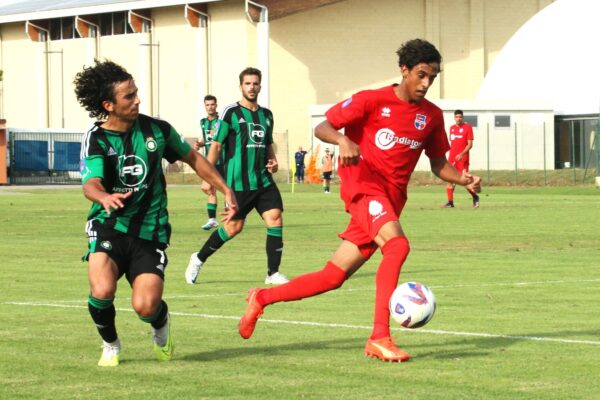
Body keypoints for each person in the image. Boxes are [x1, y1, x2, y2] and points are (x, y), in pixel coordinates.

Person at [238, 39, 481, 362]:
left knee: (333, 277)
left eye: (432, 78)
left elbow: (438, 164)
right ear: (404, 70)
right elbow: (323, 126)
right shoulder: (371, 101)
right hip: (363, 189)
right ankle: (380, 336)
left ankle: (262, 298)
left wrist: (462, 178)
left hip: (389, 203)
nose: (426, 83)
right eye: (421, 75)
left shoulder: (432, 117)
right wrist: (343, 139)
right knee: (397, 246)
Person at [75, 60, 237, 367]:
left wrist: (225, 188)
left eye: (136, 93)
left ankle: (160, 327)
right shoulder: (95, 139)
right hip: (109, 223)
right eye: (128, 96)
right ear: (108, 105)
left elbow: (193, 158)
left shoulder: (157, 130)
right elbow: (90, 183)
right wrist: (105, 196)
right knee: (102, 289)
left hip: (151, 229)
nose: (137, 100)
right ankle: (111, 344)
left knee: (146, 306)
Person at [185, 67, 290, 286]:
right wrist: (207, 177)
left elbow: (267, 144)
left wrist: (273, 161)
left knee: (275, 218)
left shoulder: (267, 115)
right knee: (233, 227)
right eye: (248, 83)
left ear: (260, 85)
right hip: (239, 183)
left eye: (255, 83)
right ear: (241, 86)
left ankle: (273, 273)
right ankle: (198, 258)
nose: (252, 87)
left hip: (263, 180)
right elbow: (216, 146)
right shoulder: (230, 113)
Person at [195, 94, 224, 229]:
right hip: (209, 161)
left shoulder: (222, 121)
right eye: (207, 105)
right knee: (208, 188)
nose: (210, 107)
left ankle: (238, 213)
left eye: (212, 104)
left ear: (216, 105)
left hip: (222, 161)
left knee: (219, 189)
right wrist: (200, 144)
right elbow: (206, 140)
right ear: (205, 106)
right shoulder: (203, 122)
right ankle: (212, 219)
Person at [442, 109, 480, 208]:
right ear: (454, 118)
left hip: (463, 159)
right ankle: (450, 202)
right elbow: (453, 144)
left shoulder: (468, 127)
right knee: (449, 179)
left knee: (464, 181)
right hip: (452, 158)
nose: (458, 119)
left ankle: (475, 197)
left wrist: (461, 154)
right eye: (457, 117)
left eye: (460, 117)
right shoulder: (452, 128)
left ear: (463, 118)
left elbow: (470, 145)